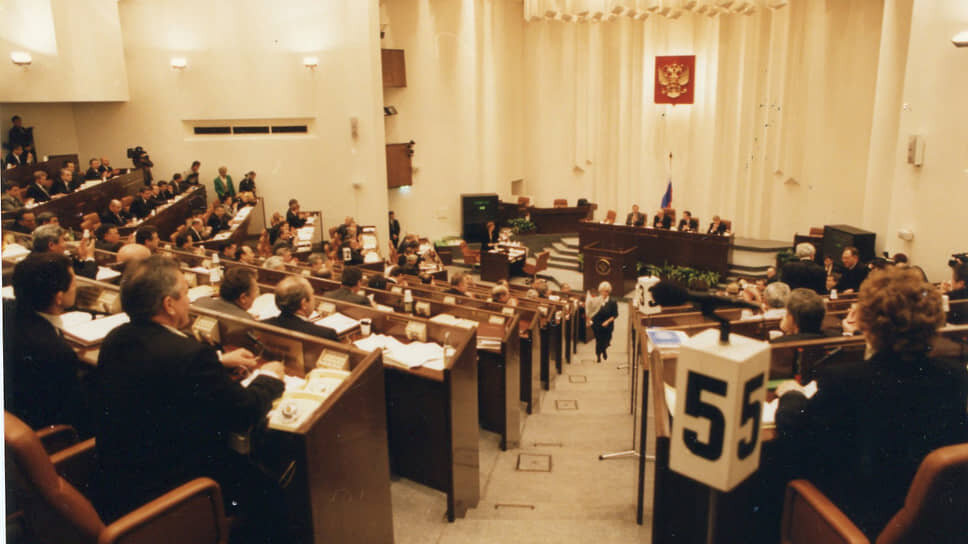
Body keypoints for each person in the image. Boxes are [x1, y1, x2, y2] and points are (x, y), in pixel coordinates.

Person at [91, 256, 288, 540]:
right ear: (168, 304)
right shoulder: (190, 355)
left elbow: (160, 370)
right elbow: (244, 411)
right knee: (273, 491)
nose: (189, 302)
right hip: (178, 481)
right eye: (185, 294)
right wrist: (269, 377)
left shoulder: (116, 337)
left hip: (123, 472)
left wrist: (218, 362)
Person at [765, 267, 968, 540]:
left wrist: (792, 394)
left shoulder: (845, 380)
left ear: (869, 324)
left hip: (858, 521)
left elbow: (796, 431)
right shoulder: (955, 376)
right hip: (931, 525)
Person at [3, 252, 91, 434]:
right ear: (58, 297)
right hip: (50, 436)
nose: (76, 287)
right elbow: (75, 415)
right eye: (74, 283)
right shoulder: (56, 351)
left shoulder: (6, 310)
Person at [262, 276, 338, 340]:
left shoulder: (261, 326)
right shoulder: (326, 335)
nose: (314, 298)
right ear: (303, 303)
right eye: (312, 294)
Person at [32, 224, 98, 279]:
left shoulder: (35, 257)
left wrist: (83, 257)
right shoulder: (53, 264)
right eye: (63, 240)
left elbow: (78, 271)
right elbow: (87, 278)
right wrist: (90, 256)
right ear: (51, 245)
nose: (65, 244)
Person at [194, 267, 259, 320]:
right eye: (256, 291)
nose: (256, 295)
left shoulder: (200, 302)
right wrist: (245, 316)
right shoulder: (247, 321)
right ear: (243, 298)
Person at [590, 281, 618, 363]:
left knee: (607, 340)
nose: (604, 293)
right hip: (597, 323)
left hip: (608, 324)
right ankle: (598, 356)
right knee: (598, 340)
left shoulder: (612, 302)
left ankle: (604, 349)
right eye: (602, 291)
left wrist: (607, 322)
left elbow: (615, 315)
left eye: (606, 291)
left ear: (609, 292)